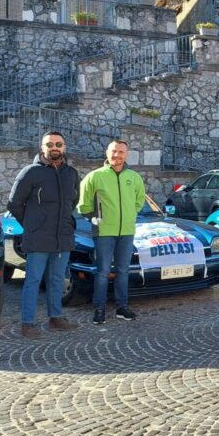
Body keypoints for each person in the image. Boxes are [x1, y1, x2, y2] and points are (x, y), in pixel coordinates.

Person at [8, 131, 80, 338]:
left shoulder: (71, 173)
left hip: (63, 236)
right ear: (42, 147)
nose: (54, 147)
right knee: (32, 280)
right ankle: (27, 323)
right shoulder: (30, 172)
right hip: (38, 236)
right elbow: (14, 204)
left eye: (59, 144)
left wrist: (66, 221)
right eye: (50, 144)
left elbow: (72, 202)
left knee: (57, 278)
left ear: (64, 147)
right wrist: (32, 224)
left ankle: (55, 317)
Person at [77, 139, 146, 324]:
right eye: (114, 151)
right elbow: (84, 205)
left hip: (127, 231)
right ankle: (99, 308)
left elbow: (139, 201)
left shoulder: (134, 177)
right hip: (104, 231)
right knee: (103, 271)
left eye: (121, 152)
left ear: (127, 154)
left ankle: (122, 307)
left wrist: (130, 216)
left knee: (123, 271)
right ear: (107, 153)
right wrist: (97, 219)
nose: (117, 155)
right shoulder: (94, 177)